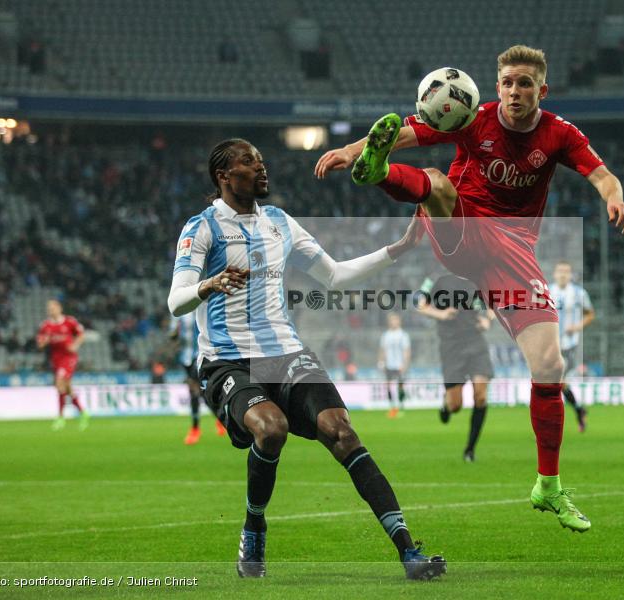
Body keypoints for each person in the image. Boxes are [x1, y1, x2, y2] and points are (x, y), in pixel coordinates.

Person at [316, 44, 624, 533]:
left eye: (524, 83)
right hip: (463, 229)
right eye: (506, 82)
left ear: (541, 90)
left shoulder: (559, 134)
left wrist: (616, 199)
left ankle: (548, 485)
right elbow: (405, 130)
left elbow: (603, 175)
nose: (513, 91)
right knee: (440, 183)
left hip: (514, 252)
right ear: (497, 84)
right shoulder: (472, 116)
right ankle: (378, 173)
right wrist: (353, 151)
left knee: (550, 364)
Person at [167, 139, 444, 580]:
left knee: (343, 431)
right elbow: (175, 302)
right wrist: (208, 284)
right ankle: (254, 525)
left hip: (286, 353)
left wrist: (401, 247)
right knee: (271, 428)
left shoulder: (279, 222)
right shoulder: (202, 229)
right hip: (229, 361)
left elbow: (334, 275)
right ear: (224, 176)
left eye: (261, 158)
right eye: (249, 161)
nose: (261, 166)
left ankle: (409, 551)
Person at [417, 273, 494, 462]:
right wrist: (440, 314)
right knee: (455, 405)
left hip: (475, 341)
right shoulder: (434, 275)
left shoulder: (478, 275)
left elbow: (492, 303)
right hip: (451, 345)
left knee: (481, 396)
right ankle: (446, 404)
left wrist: (488, 320)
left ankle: (470, 449)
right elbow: (420, 304)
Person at [170, 308, 227, 444]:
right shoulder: (180, 310)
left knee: (195, 390)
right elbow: (172, 334)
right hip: (185, 357)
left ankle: (196, 428)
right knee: (199, 392)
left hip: (200, 355)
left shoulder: (203, 307)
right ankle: (220, 419)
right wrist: (174, 335)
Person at [550, 262, 594, 432]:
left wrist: (577, 327)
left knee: (555, 382)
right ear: (554, 274)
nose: (563, 274)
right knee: (560, 384)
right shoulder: (546, 291)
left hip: (568, 345)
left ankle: (549, 427)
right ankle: (579, 409)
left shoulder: (578, 293)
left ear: (570, 275)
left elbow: (590, 314)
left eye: (566, 272)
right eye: (560, 271)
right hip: (550, 345)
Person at [36, 299, 89, 431]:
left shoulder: (70, 321)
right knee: (66, 387)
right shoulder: (45, 326)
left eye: (52, 308)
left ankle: (60, 417)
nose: (50, 310)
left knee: (59, 382)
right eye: (49, 308)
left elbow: (81, 334)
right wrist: (45, 341)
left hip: (69, 357)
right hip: (56, 358)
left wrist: (75, 345)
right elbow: (40, 344)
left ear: (59, 308)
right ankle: (83, 412)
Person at [378, 313, 410, 418]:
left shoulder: (403, 335)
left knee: (400, 386)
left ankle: (401, 406)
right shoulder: (386, 335)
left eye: (395, 320)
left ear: (399, 321)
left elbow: (406, 350)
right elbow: (382, 350)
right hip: (389, 364)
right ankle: (392, 407)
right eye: (392, 320)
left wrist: (404, 364)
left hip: (399, 364)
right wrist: (381, 361)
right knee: (388, 385)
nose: (394, 322)